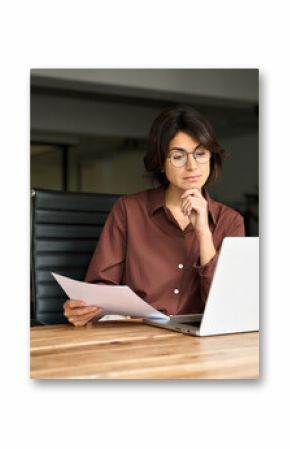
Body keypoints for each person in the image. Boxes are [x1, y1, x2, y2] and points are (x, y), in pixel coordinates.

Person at [63, 105, 245, 327]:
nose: (192, 166)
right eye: (178, 156)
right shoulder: (128, 210)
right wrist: (85, 308)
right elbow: (101, 286)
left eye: (200, 154)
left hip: (199, 341)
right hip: (137, 337)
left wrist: (203, 233)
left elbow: (229, 305)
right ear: (160, 162)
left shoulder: (231, 221)